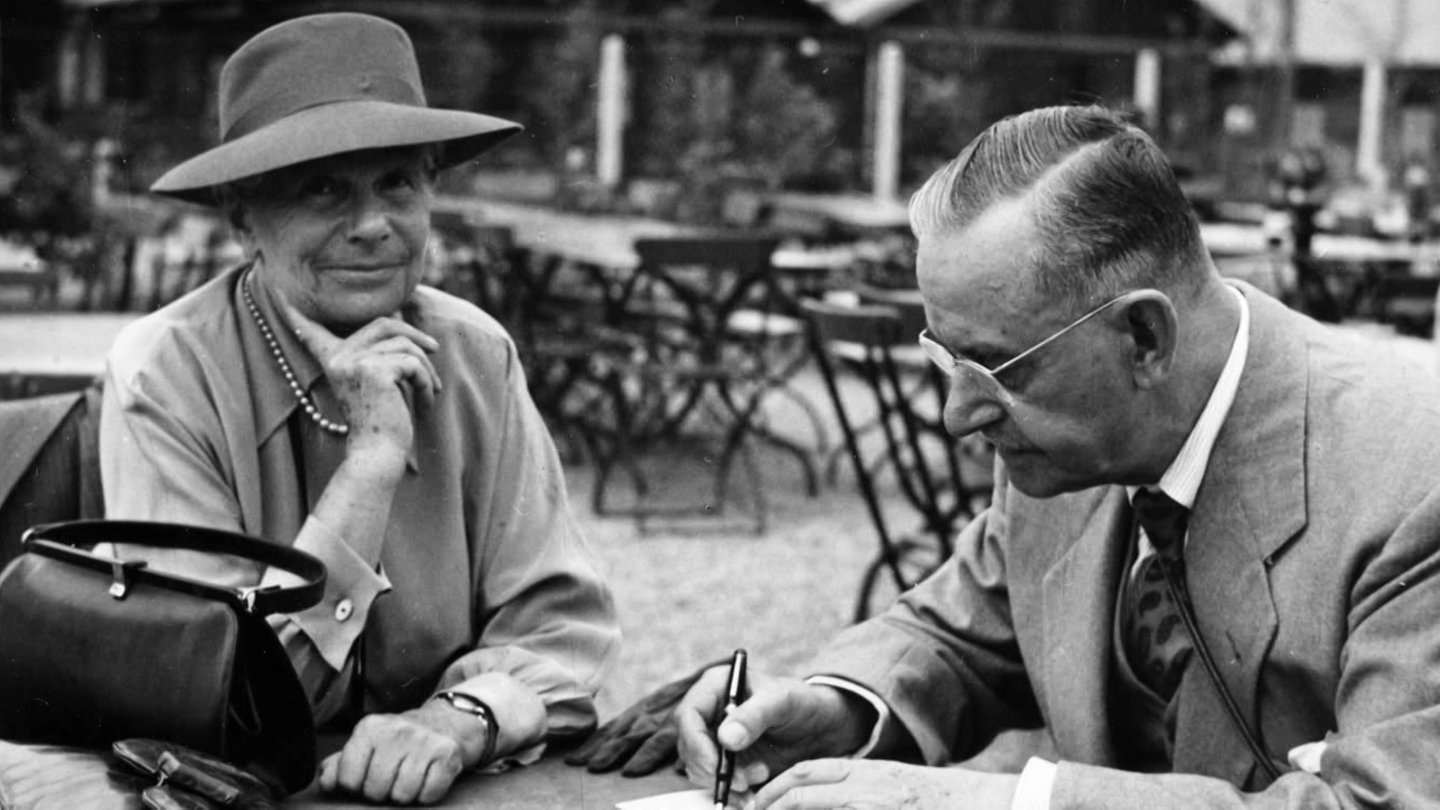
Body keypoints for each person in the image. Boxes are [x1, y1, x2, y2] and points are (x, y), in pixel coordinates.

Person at [659, 105, 1440, 807]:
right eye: (948, 361)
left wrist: (1012, 805)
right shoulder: (1071, 436)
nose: (957, 415)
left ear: (1144, 338)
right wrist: (841, 707)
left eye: (993, 369)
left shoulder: (1412, 481)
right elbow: (968, 627)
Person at [99, 13, 619, 805]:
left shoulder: (476, 354)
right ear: (242, 217)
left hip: (448, 783)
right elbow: (218, 702)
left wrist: (461, 718)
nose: (373, 226)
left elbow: (563, 627)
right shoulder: (167, 374)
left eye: (398, 183)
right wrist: (370, 466)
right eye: (322, 189)